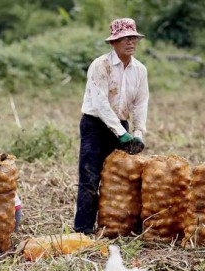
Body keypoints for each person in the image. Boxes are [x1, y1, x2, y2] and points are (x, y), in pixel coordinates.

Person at [74, 18, 149, 235]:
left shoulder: (140, 70)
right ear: (113, 42)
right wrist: (121, 133)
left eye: (133, 37)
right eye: (125, 38)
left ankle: (115, 227)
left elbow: (140, 102)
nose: (131, 42)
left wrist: (137, 132)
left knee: (119, 178)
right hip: (95, 126)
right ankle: (84, 230)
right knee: (90, 178)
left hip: (122, 126)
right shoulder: (100, 66)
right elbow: (100, 104)